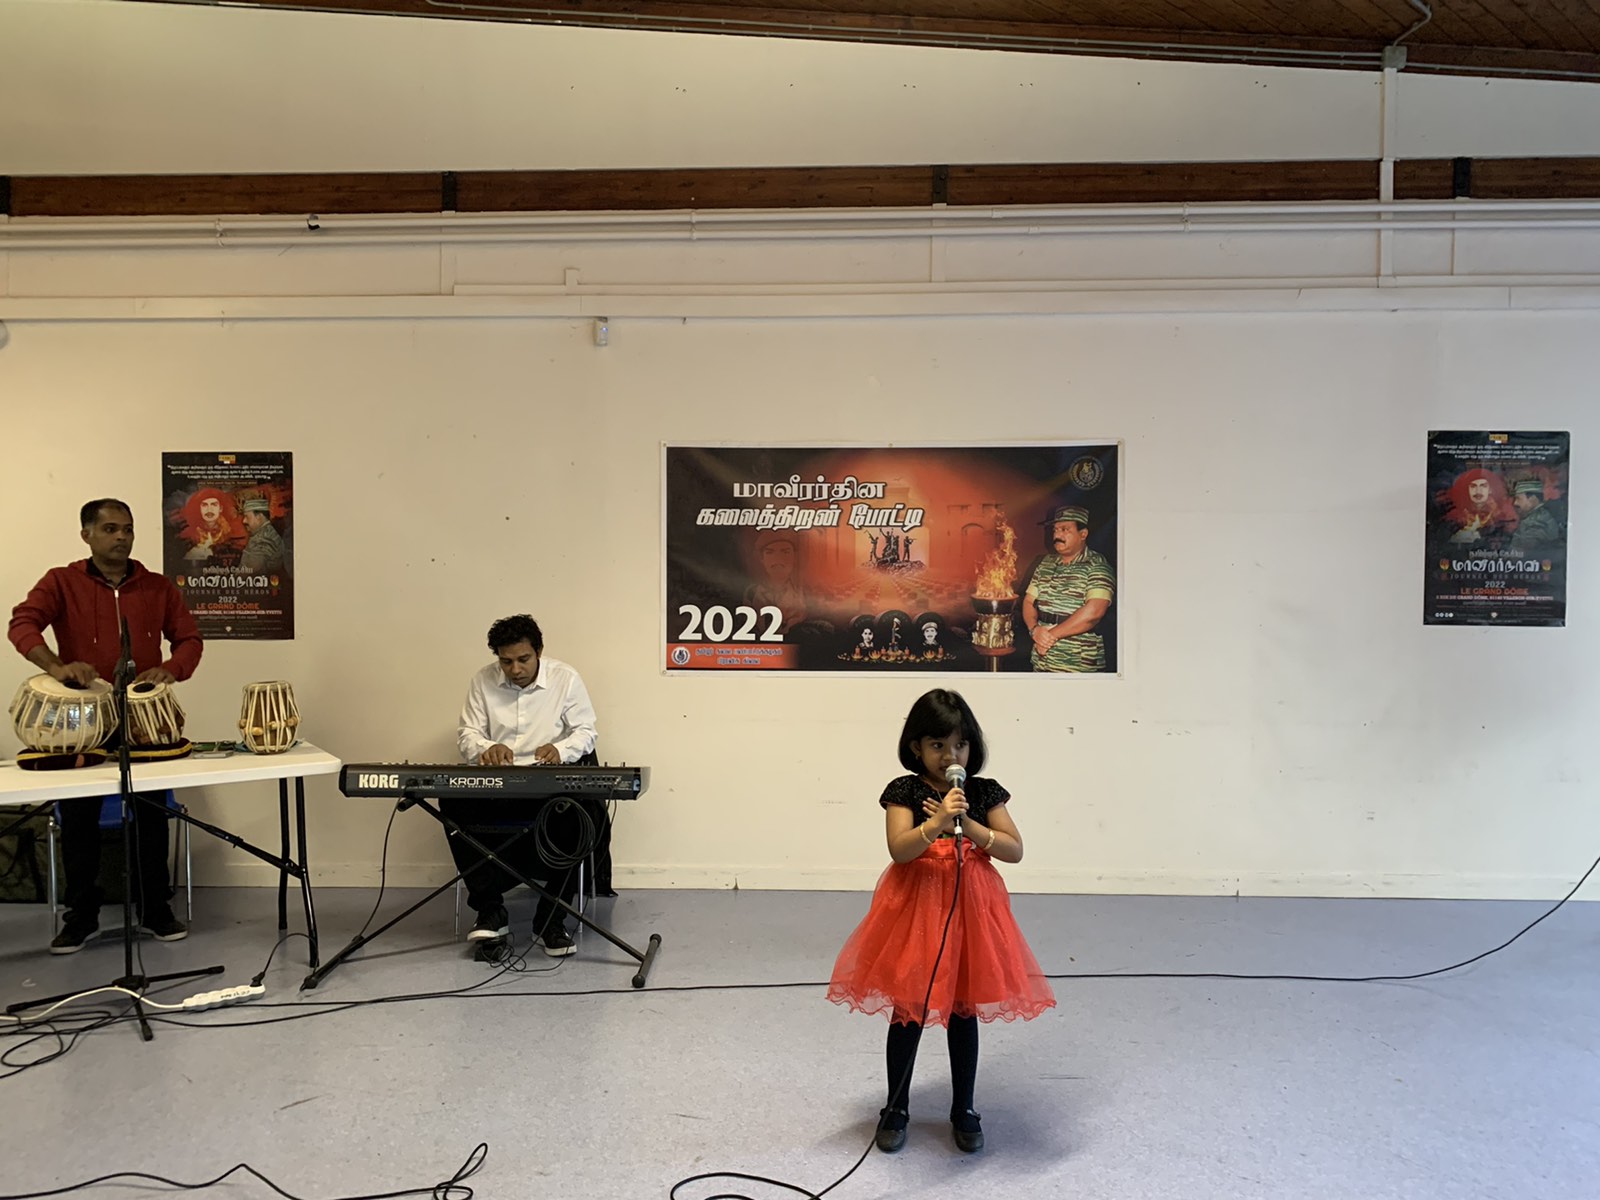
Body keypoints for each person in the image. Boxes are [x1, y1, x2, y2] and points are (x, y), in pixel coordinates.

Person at [827, 689, 1055, 1155]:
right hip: (917, 909)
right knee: (908, 1010)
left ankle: (964, 1108)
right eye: (938, 745)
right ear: (916, 747)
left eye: (960, 745)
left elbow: (1014, 849)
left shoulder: (982, 792)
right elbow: (900, 849)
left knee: (963, 1010)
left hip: (970, 909)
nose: (951, 756)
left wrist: (968, 824)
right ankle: (896, 1106)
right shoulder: (905, 791)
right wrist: (935, 825)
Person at [8, 498, 202, 953]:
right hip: (82, 720)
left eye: (127, 529)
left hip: (143, 720)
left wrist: (171, 669)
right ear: (87, 535)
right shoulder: (61, 581)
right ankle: (82, 916)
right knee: (79, 819)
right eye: (111, 528)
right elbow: (23, 623)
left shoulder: (157, 586)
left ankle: (155, 908)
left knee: (151, 814)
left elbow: (189, 639)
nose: (121, 537)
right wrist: (55, 667)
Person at [449, 614, 598, 956]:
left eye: (523, 659)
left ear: (539, 651)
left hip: (549, 785)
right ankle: (490, 911)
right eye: (506, 661)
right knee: (453, 805)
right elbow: (467, 733)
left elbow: (586, 731)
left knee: (581, 815)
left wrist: (561, 750)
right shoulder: (483, 680)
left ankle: (551, 920)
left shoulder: (565, 678)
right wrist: (487, 748)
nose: (515, 669)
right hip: (497, 785)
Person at [1022, 505, 1115, 672]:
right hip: (1042, 660)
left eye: (1065, 529)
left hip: (1077, 663)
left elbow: (1094, 612)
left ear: (1083, 534)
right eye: (1055, 530)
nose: (1057, 535)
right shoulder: (1046, 563)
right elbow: (1029, 601)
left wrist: (1049, 637)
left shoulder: (1097, 565)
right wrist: (1034, 630)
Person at [177, 487, 243, 563]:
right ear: (199, 509)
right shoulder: (189, 534)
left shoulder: (232, 532)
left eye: (214, 505)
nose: (209, 509)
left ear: (220, 508)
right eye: (204, 505)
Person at [1508, 478, 1562, 553]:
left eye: (1518, 498)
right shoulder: (1541, 516)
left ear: (1532, 499)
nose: (1515, 503)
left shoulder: (1536, 523)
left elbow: (1520, 553)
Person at [237, 493, 287, 574]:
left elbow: (247, 574)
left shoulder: (263, 540)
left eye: (247, 516)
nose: (244, 521)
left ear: (259, 517)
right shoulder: (265, 533)